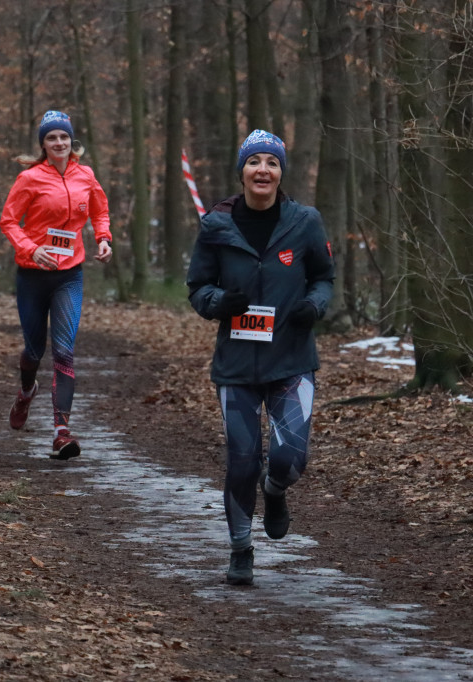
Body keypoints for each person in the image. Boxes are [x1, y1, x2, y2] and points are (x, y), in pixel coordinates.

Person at [186, 129, 335, 585]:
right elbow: (196, 288)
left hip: (291, 359)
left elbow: (324, 278)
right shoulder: (216, 225)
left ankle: (275, 491)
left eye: (272, 162)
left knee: (290, 459)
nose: (263, 170)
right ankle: (240, 549)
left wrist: (314, 306)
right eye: (255, 162)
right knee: (242, 459)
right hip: (236, 367)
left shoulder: (305, 221)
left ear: (280, 171)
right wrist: (217, 303)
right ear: (242, 171)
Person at [0, 110, 112, 460]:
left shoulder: (86, 175)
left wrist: (104, 238)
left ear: (71, 141)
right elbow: (8, 221)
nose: (59, 143)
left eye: (63, 137)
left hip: (69, 274)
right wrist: (32, 248)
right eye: (51, 138)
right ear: (43, 145)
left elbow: (99, 210)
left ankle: (62, 432)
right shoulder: (29, 178)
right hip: (33, 275)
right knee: (34, 351)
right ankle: (25, 391)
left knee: (64, 350)